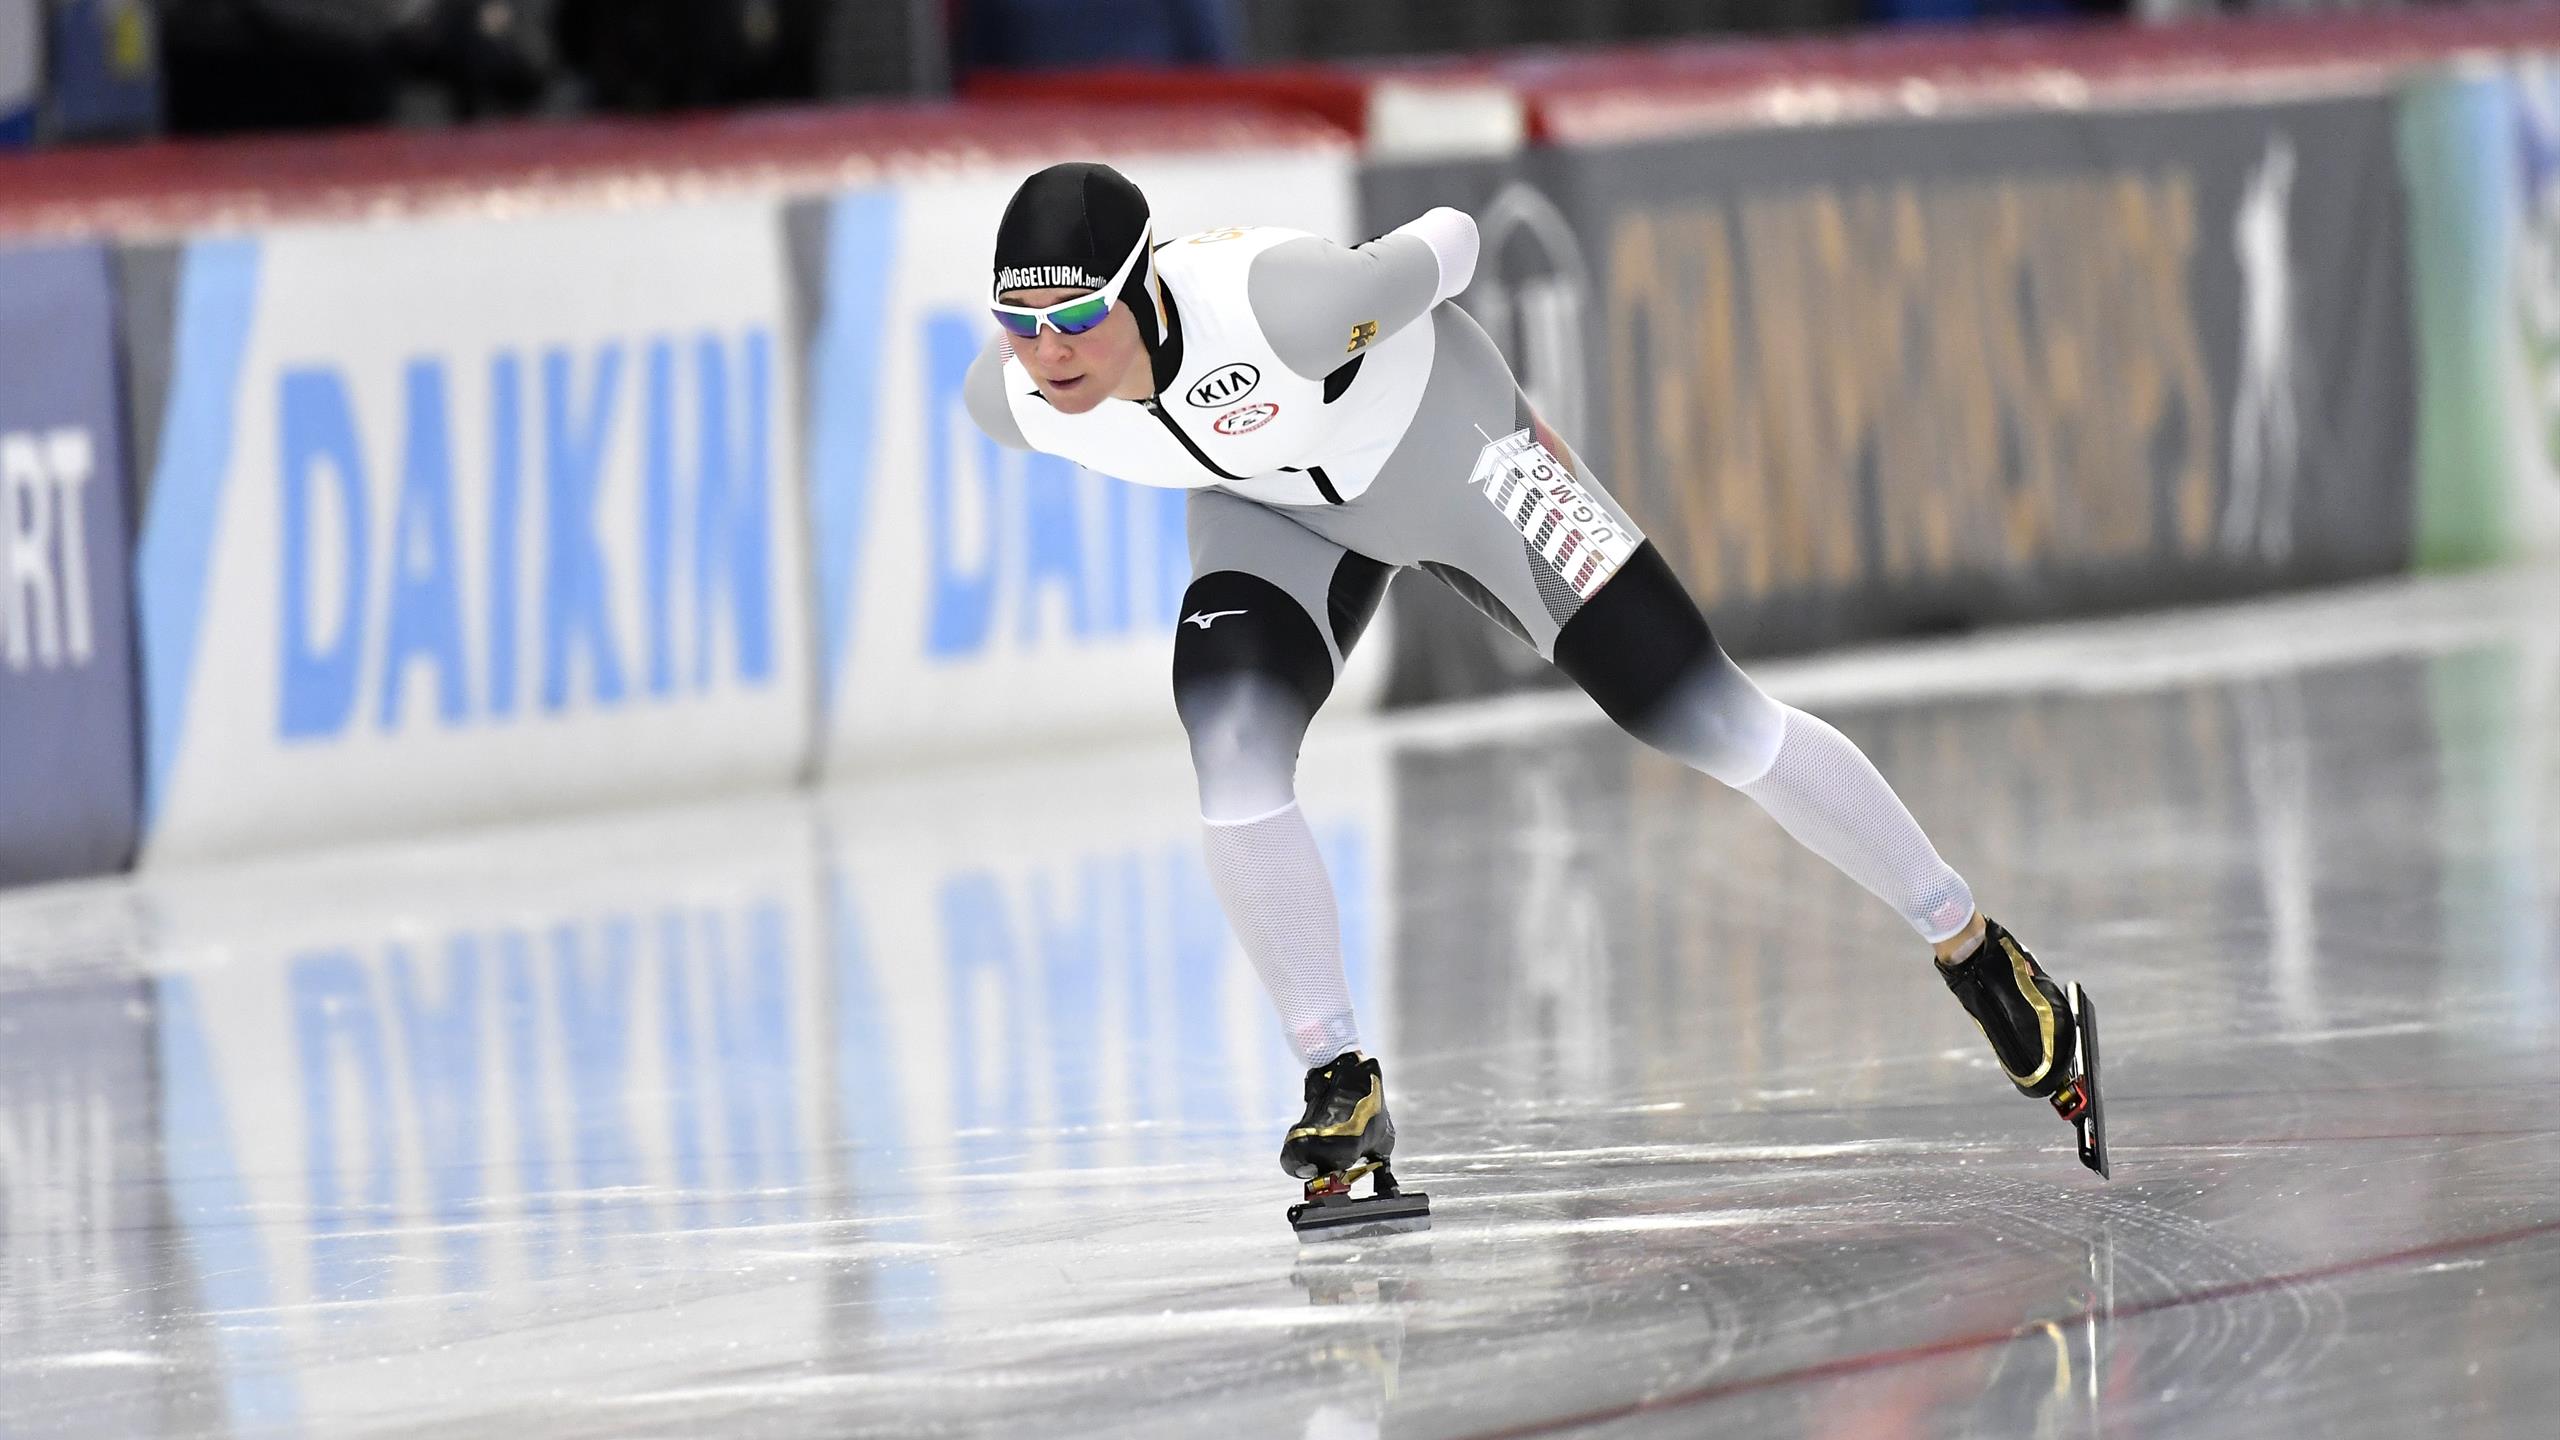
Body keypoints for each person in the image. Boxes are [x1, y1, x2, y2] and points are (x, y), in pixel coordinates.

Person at [963, 162, 2108, 1235]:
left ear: (1147, 288)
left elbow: (1452, 240)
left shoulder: (1286, 309)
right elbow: (1048, 376)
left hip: (1451, 455)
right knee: (1229, 738)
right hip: (1271, 518)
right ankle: (1337, 1076)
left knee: (1702, 712)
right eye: (1021, 327)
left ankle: (1973, 948)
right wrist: (1041, 351)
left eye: (1075, 320)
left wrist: (1383, 285)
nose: (1048, 355)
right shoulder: (1009, 396)